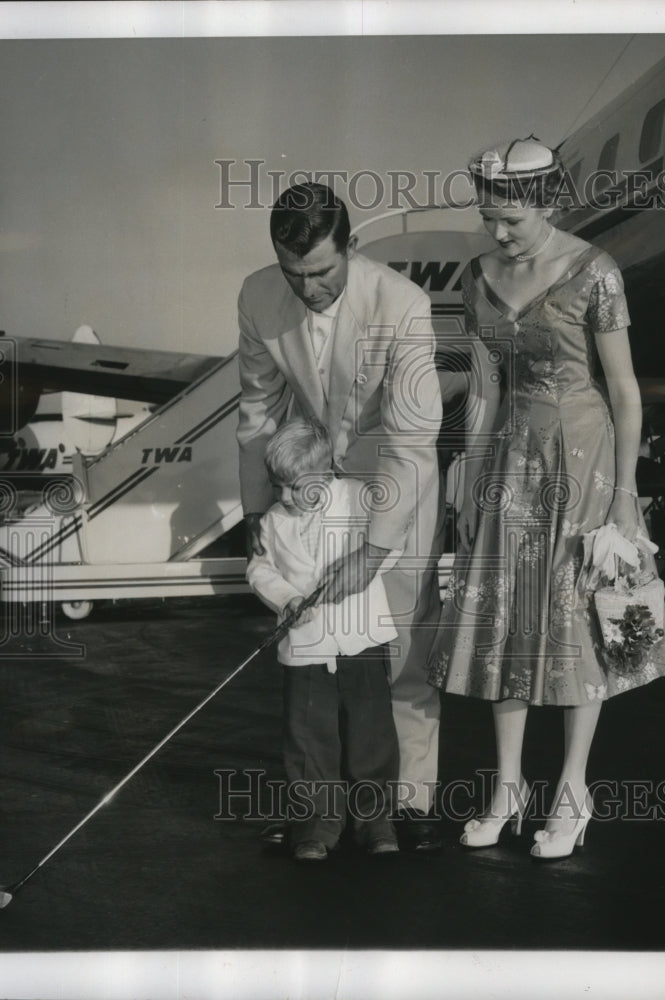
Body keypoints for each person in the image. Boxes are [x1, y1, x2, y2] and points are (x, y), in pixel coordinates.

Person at [427, 137, 665, 858]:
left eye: (510, 220)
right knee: (502, 615)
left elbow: (624, 389)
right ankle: (505, 787)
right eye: (488, 219)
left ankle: (572, 791)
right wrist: (469, 477)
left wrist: (627, 494)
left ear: (547, 202)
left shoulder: (594, 272)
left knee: (575, 619)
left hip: (583, 456)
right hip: (510, 458)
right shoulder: (478, 275)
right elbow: (482, 385)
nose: (497, 233)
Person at [237, 182, 444, 849]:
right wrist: (257, 511)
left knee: (400, 641)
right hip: (311, 491)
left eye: (322, 272)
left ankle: (403, 804)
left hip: (393, 482)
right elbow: (257, 414)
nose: (309, 289)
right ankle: (322, 804)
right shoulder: (256, 296)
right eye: (294, 275)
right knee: (317, 657)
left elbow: (413, 441)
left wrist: (375, 551)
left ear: (350, 248)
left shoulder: (403, 303)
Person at [246, 417, 401, 861]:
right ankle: (315, 823)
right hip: (306, 645)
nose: (286, 497)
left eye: (297, 487)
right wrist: (286, 599)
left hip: (362, 638)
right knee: (308, 738)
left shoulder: (358, 497)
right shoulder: (274, 521)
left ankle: (374, 819)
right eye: (279, 486)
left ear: (327, 471)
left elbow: (393, 542)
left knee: (371, 732)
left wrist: (365, 568)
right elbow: (259, 570)